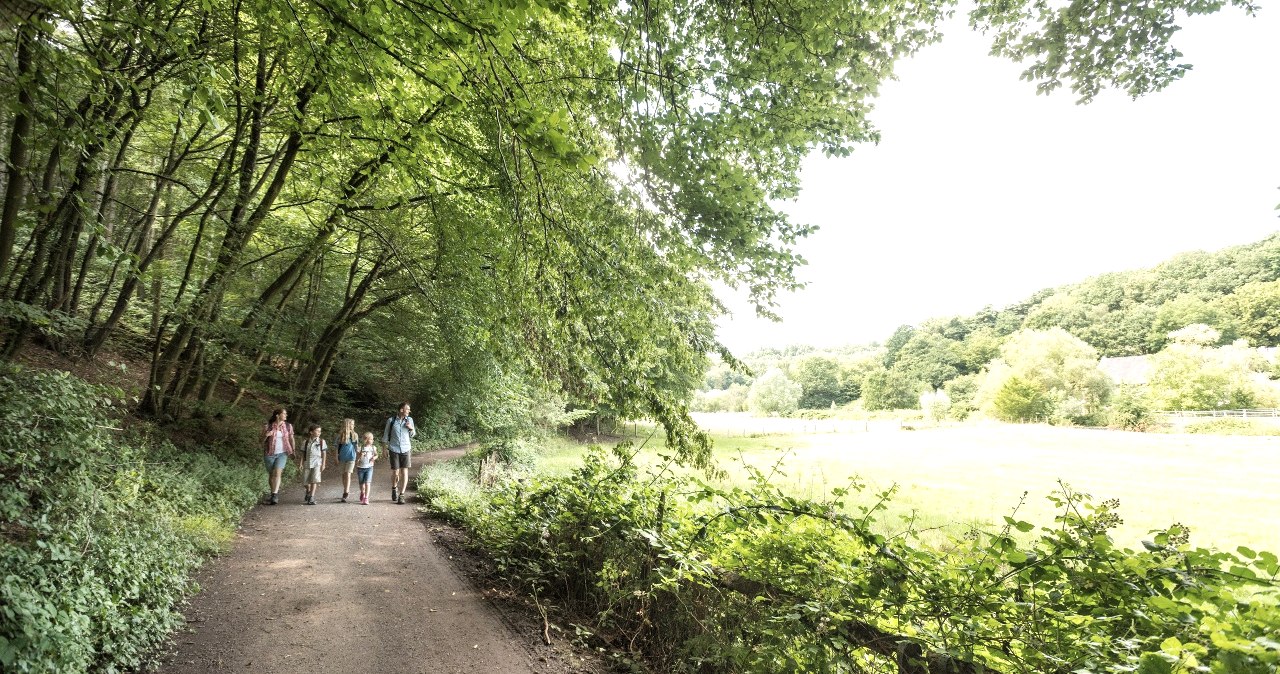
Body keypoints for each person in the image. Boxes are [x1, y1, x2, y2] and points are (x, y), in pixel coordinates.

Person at [381, 402, 415, 504]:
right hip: (393, 449)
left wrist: (411, 428)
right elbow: (386, 435)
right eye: (407, 409)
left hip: (406, 449)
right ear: (401, 410)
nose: (409, 411)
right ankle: (394, 488)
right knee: (395, 472)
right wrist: (384, 449)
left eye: (409, 409)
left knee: (404, 472)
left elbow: (413, 434)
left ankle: (402, 495)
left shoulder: (410, 420)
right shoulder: (391, 421)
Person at [261, 408, 294, 505]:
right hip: (269, 453)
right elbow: (260, 441)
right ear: (277, 415)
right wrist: (266, 435)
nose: (286, 415)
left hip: (282, 453)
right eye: (284, 414)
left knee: (277, 473)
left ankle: (275, 495)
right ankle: (273, 494)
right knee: (272, 475)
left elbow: (291, 438)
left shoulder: (288, 426)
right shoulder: (268, 426)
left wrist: (293, 450)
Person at [301, 424, 327, 505]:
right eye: (317, 430)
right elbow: (303, 453)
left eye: (320, 431)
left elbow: (324, 453)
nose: (319, 432)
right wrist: (301, 463)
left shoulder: (322, 442)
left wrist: (323, 464)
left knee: (314, 480)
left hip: (317, 463)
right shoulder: (305, 442)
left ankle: (311, 497)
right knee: (305, 482)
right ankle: (308, 491)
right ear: (311, 432)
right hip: (307, 463)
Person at [333, 418, 358, 502]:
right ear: (347, 425)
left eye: (353, 424)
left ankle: (346, 492)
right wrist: (336, 457)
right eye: (351, 424)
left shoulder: (355, 435)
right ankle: (345, 489)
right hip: (342, 458)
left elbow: (356, 447)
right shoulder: (340, 435)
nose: (353, 426)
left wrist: (359, 456)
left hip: (351, 457)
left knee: (348, 474)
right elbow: (336, 447)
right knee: (343, 475)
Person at [355, 431, 379, 505]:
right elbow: (357, 459)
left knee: (367, 483)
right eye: (371, 439)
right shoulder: (360, 448)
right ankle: (362, 492)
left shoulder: (373, 447)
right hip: (360, 468)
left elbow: (376, 455)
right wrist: (360, 455)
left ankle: (366, 498)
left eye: (372, 439)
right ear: (366, 439)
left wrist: (374, 458)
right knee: (361, 484)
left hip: (369, 467)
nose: (372, 440)